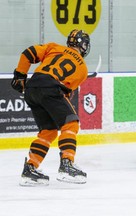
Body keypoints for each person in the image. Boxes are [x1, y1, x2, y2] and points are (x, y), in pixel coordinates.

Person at [11, 29, 90, 186]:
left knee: (48, 132)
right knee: (71, 123)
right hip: (51, 88)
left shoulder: (54, 47)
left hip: (32, 88)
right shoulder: (83, 69)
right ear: (82, 45)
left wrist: (20, 75)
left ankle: (30, 169)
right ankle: (67, 164)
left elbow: (28, 52)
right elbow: (66, 92)